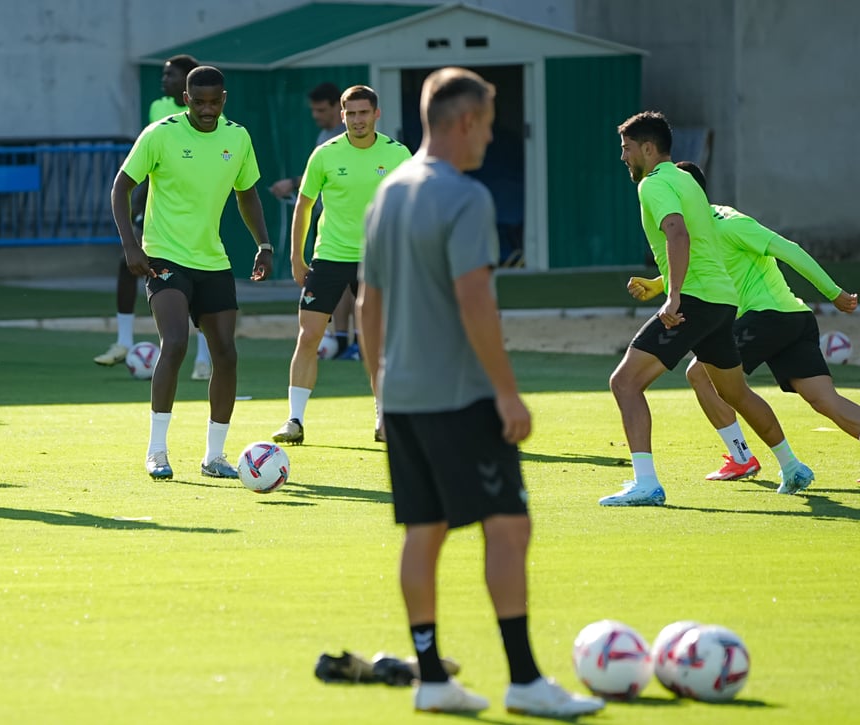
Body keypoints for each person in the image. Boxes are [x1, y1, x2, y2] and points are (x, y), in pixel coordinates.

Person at [357, 66, 603, 717]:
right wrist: (508, 393)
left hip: (404, 396)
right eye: (489, 126)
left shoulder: (388, 191)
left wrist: (381, 391)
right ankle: (524, 679)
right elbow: (475, 300)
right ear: (464, 122)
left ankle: (432, 676)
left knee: (424, 529)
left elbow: (366, 305)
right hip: (459, 395)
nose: (490, 140)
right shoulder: (466, 198)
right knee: (509, 526)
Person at [604, 111, 814, 506]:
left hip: (695, 299)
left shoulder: (653, 184)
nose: (623, 157)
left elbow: (677, 233)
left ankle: (646, 484)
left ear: (648, 149)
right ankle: (792, 465)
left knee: (625, 383)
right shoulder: (687, 180)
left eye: (626, 149)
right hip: (722, 300)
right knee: (735, 391)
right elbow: (701, 243)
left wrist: (673, 295)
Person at [628, 161, 858, 489]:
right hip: (790, 318)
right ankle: (751, 458)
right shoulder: (699, 229)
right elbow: (704, 267)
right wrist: (657, 284)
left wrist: (834, 293)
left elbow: (788, 250)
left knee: (699, 373)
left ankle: (741, 457)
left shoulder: (728, 223)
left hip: (771, 316)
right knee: (824, 401)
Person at [110, 65, 274, 480]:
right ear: (186, 99)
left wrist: (264, 244)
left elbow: (248, 193)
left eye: (213, 101)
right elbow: (121, 187)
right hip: (164, 255)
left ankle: (214, 457)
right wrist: (132, 244)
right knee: (177, 343)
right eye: (198, 101)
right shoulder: (160, 134)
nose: (206, 109)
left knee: (226, 354)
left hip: (213, 260)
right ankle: (157, 452)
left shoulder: (237, 138)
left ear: (224, 99)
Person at [271, 85, 410, 446]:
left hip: (379, 260)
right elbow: (303, 206)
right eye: (351, 113)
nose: (358, 120)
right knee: (309, 336)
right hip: (330, 256)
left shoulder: (398, 155)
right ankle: (294, 420)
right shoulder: (325, 154)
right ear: (342, 115)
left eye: (364, 112)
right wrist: (296, 257)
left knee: (377, 342)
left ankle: (384, 420)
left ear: (377, 114)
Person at [95, 54, 213, 382]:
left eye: (170, 75)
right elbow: (151, 164)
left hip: (193, 212)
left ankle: (203, 358)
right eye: (163, 74)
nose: (164, 81)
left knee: (198, 280)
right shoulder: (159, 109)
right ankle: (123, 341)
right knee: (127, 262)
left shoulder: (206, 114)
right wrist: (139, 204)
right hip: (156, 208)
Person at [271, 82, 359, 360]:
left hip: (353, 224)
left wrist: (291, 182)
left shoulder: (350, 137)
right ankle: (343, 338)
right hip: (327, 220)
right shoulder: (324, 136)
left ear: (338, 108)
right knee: (342, 284)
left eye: (321, 109)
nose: (316, 115)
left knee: (363, 288)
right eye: (313, 110)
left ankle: (361, 340)